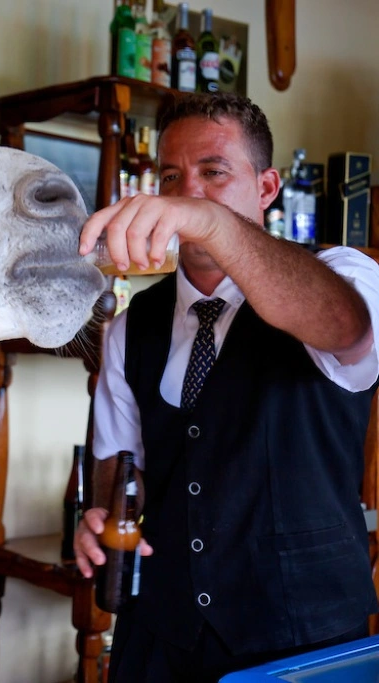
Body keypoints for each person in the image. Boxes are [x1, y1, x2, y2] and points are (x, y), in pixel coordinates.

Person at [74, 92, 379, 682]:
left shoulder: (346, 273)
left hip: (299, 641)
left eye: (213, 172)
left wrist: (213, 224)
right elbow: (120, 458)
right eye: (170, 177)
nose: (186, 193)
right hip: (159, 636)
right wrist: (101, 513)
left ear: (266, 189)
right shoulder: (131, 326)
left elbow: (348, 328)